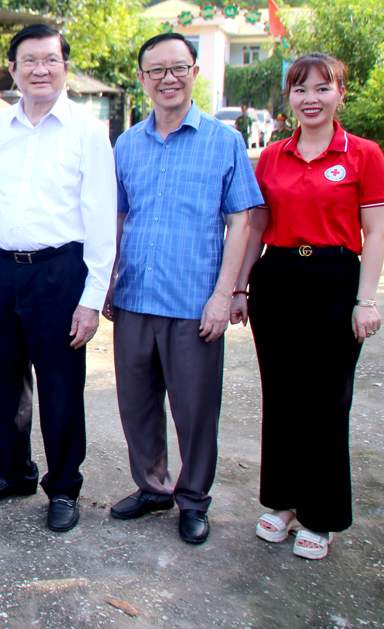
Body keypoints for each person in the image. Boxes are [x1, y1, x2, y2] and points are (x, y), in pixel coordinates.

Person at [102, 32, 261, 546]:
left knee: (195, 410)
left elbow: (242, 221)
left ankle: (193, 498)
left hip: (195, 302)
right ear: (143, 79)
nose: (168, 79)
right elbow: (119, 218)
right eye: (156, 71)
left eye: (178, 68)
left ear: (194, 72)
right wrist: (106, 282)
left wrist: (226, 293)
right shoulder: (126, 143)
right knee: (137, 404)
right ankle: (152, 487)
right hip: (134, 298)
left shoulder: (223, 140)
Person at [231, 53, 384, 561]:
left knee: (328, 401)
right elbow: (255, 226)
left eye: (323, 88)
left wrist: (366, 298)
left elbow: (376, 231)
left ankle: (321, 514)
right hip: (277, 278)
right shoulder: (273, 155)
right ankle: (283, 502)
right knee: (282, 395)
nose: (311, 99)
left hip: (335, 278)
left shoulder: (363, 154)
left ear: (341, 92)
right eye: (301, 90)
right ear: (288, 98)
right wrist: (240, 287)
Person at [0, 24, 116, 533]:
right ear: (12, 69)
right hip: (5, 269)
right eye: (29, 60)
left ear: (65, 66)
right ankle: (14, 471)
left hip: (60, 271)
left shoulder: (88, 131)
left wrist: (92, 298)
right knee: (6, 379)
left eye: (50, 60)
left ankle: (64, 486)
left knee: (59, 385)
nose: (40, 70)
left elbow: (100, 218)